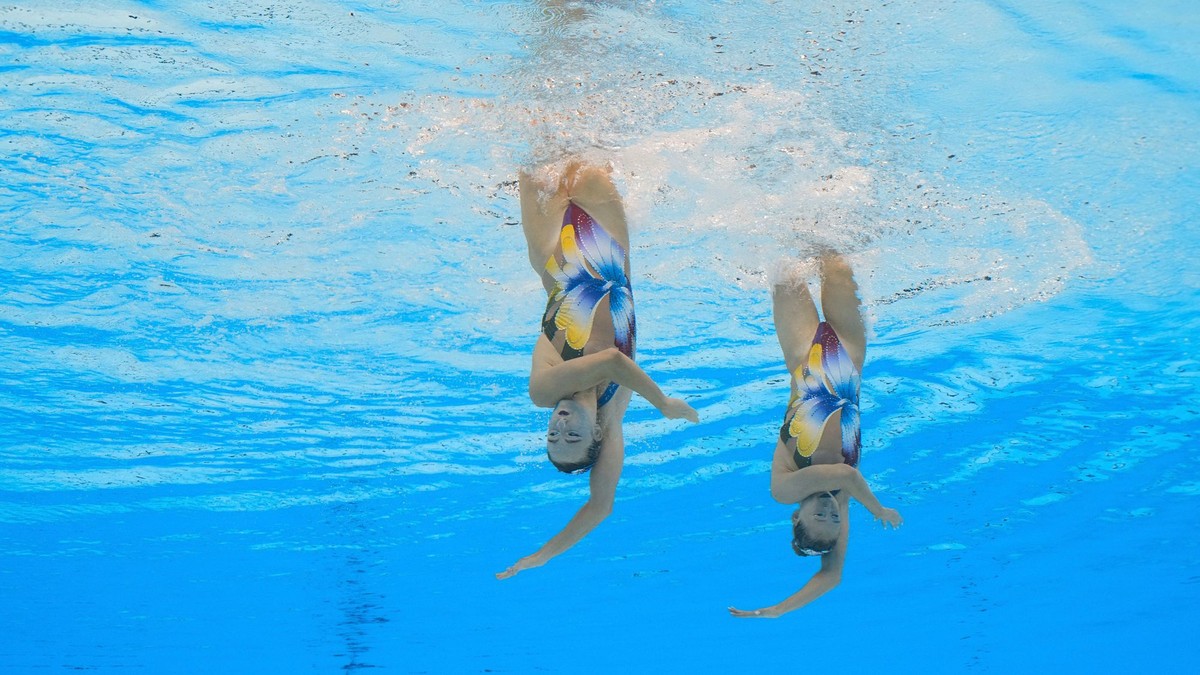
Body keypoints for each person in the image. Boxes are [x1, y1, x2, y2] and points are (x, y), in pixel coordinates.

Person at [496, 161, 699, 580]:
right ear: (599, 435)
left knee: (539, 152)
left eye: (553, 434)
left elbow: (612, 361)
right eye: (572, 436)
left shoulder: (544, 390)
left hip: (553, 250)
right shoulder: (613, 411)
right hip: (609, 247)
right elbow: (601, 506)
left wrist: (662, 404)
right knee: (587, 159)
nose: (561, 424)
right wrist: (545, 555)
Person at [729, 252, 902, 617]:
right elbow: (832, 575)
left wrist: (878, 508)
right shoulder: (839, 499)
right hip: (850, 358)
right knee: (835, 261)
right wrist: (779, 610)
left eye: (818, 517)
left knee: (784, 260)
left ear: (797, 517)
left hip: (804, 353)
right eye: (834, 519)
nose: (827, 511)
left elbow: (845, 473)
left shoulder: (785, 491)